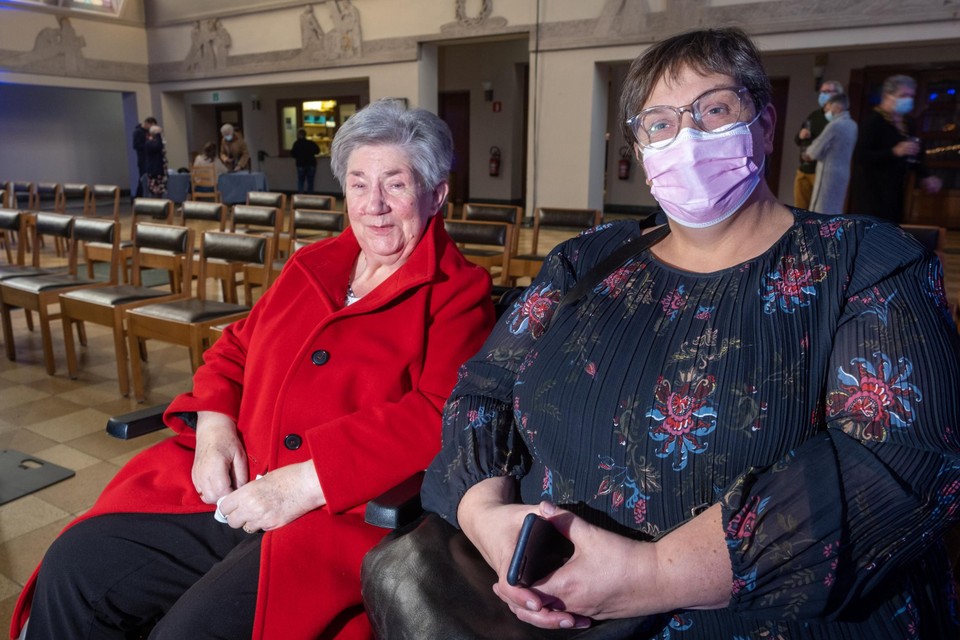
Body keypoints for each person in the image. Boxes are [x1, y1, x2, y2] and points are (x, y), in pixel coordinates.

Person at [421, 28, 960, 638]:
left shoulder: (864, 260)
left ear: (763, 123)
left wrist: (652, 573)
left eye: (715, 110)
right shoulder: (584, 260)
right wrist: (487, 517)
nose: (689, 136)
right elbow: (483, 392)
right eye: (659, 123)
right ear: (638, 145)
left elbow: (904, 464)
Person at [12, 99, 495, 639]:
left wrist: (307, 482)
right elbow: (235, 347)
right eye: (358, 184)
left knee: (187, 631)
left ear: (436, 194)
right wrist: (214, 428)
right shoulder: (309, 267)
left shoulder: (458, 294)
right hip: (235, 488)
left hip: (326, 519)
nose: (373, 205)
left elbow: (437, 415)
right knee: (77, 566)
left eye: (396, 184)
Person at [850, 74, 942, 223]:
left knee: (893, 229)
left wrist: (925, 176)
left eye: (911, 96)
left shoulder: (908, 122)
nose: (908, 99)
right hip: (873, 189)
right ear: (888, 96)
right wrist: (893, 152)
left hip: (896, 187)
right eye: (903, 95)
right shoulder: (873, 121)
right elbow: (861, 156)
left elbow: (915, 155)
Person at [803, 93, 858, 214]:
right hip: (843, 172)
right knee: (835, 209)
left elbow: (814, 151)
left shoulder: (835, 125)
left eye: (828, 107)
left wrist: (806, 154)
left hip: (828, 172)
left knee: (820, 210)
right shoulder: (853, 125)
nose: (826, 111)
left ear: (837, 107)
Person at [793, 80, 842, 210]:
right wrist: (800, 135)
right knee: (800, 212)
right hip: (803, 170)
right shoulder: (814, 115)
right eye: (822, 92)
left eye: (827, 92)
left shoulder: (839, 120)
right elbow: (797, 140)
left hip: (822, 174)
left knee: (819, 212)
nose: (823, 95)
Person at [132, 116, 158, 198]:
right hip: (143, 160)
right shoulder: (138, 132)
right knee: (143, 180)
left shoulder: (148, 132)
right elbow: (136, 145)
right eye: (152, 126)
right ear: (147, 123)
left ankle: (146, 197)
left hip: (150, 160)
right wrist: (148, 145)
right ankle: (137, 198)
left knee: (149, 180)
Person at [290, 128, 321, 193]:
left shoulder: (296, 143)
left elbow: (293, 154)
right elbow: (317, 151)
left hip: (301, 164)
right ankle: (310, 196)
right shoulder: (310, 143)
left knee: (301, 180)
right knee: (310, 181)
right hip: (311, 164)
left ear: (298, 135)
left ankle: (301, 196)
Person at [143, 124, 168, 198]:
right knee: (155, 190)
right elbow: (158, 146)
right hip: (154, 170)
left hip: (158, 169)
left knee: (160, 190)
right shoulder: (149, 143)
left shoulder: (153, 143)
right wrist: (158, 134)